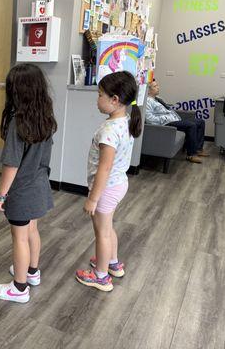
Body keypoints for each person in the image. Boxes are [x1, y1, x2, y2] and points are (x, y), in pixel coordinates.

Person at [0, 64, 57, 303]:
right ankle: (32, 272)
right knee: (32, 231)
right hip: (40, 185)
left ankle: (19, 288)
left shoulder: (18, 123)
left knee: (19, 237)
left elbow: (11, 164)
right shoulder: (45, 118)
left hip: (21, 191)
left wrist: (1, 194)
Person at [75, 71, 142, 292]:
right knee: (108, 227)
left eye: (100, 95)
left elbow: (104, 168)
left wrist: (93, 199)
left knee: (101, 232)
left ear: (115, 100)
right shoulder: (126, 120)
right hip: (119, 184)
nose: (97, 99)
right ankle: (112, 263)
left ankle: (101, 276)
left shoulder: (109, 130)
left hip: (106, 188)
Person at [146, 79, 208, 163]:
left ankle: (198, 149)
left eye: (157, 85)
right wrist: (166, 118)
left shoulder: (158, 99)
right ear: (148, 90)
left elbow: (166, 109)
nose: (158, 87)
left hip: (175, 119)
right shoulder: (147, 102)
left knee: (200, 121)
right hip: (166, 123)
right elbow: (150, 119)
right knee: (191, 125)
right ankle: (191, 155)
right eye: (155, 86)